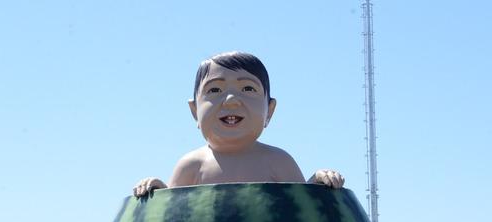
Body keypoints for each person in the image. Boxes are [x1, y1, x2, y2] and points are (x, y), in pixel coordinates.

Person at [132, 51, 344, 197]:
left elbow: (302, 213)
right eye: (215, 90)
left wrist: (316, 185)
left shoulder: (278, 161)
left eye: (248, 89)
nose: (232, 100)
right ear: (194, 111)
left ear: (269, 110)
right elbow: (172, 219)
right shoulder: (191, 165)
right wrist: (159, 194)